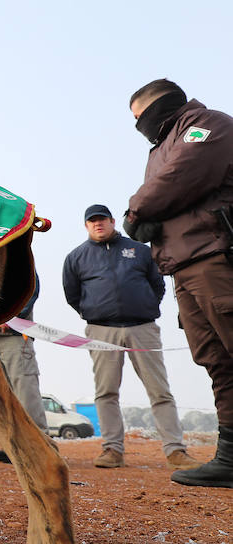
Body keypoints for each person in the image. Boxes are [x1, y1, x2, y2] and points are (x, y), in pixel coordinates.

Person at [126, 79, 233, 488]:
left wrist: (136, 211)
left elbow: (180, 175)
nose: (138, 127)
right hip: (183, 266)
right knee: (218, 362)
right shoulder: (161, 146)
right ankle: (230, 458)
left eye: (139, 118)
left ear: (161, 106)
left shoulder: (207, 125)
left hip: (217, 257)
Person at [62, 203, 200, 471]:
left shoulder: (140, 251)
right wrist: (94, 312)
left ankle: (175, 451)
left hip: (143, 328)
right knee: (106, 392)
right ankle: (112, 450)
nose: (98, 224)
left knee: (160, 391)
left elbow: (157, 285)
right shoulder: (75, 257)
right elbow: (72, 295)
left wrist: (145, 307)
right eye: (92, 221)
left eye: (102, 220)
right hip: (101, 331)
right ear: (86, 225)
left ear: (113, 221)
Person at [0, 273, 47, 464]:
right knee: (1, 394)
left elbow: (30, 288)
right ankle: (13, 446)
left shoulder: (16, 250)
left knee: (25, 389)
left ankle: (39, 446)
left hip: (14, 334)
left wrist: (13, 317)